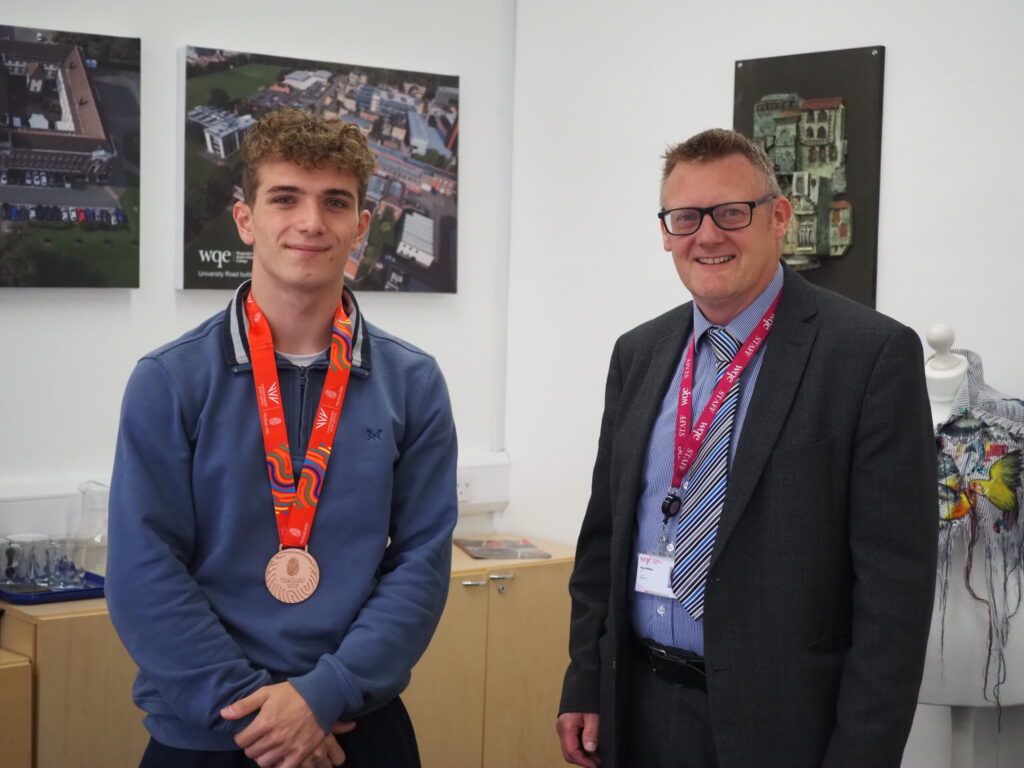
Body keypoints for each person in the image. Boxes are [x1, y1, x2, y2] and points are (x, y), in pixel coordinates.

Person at [556, 128, 937, 768]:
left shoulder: (868, 356)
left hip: (785, 725)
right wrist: (585, 679)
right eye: (685, 217)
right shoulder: (639, 354)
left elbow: (894, 594)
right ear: (665, 231)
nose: (707, 236)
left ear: (779, 218)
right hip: (638, 708)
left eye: (732, 213)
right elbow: (603, 539)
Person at [107, 108, 458, 768]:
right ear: (246, 219)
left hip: (355, 727)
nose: (310, 222)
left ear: (362, 224)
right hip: (208, 732)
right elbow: (143, 571)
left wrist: (324, 695)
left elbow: (421, 563)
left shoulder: (413, 383)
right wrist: (256, 714)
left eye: (335, 202)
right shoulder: (170, 381)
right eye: (285, 198)